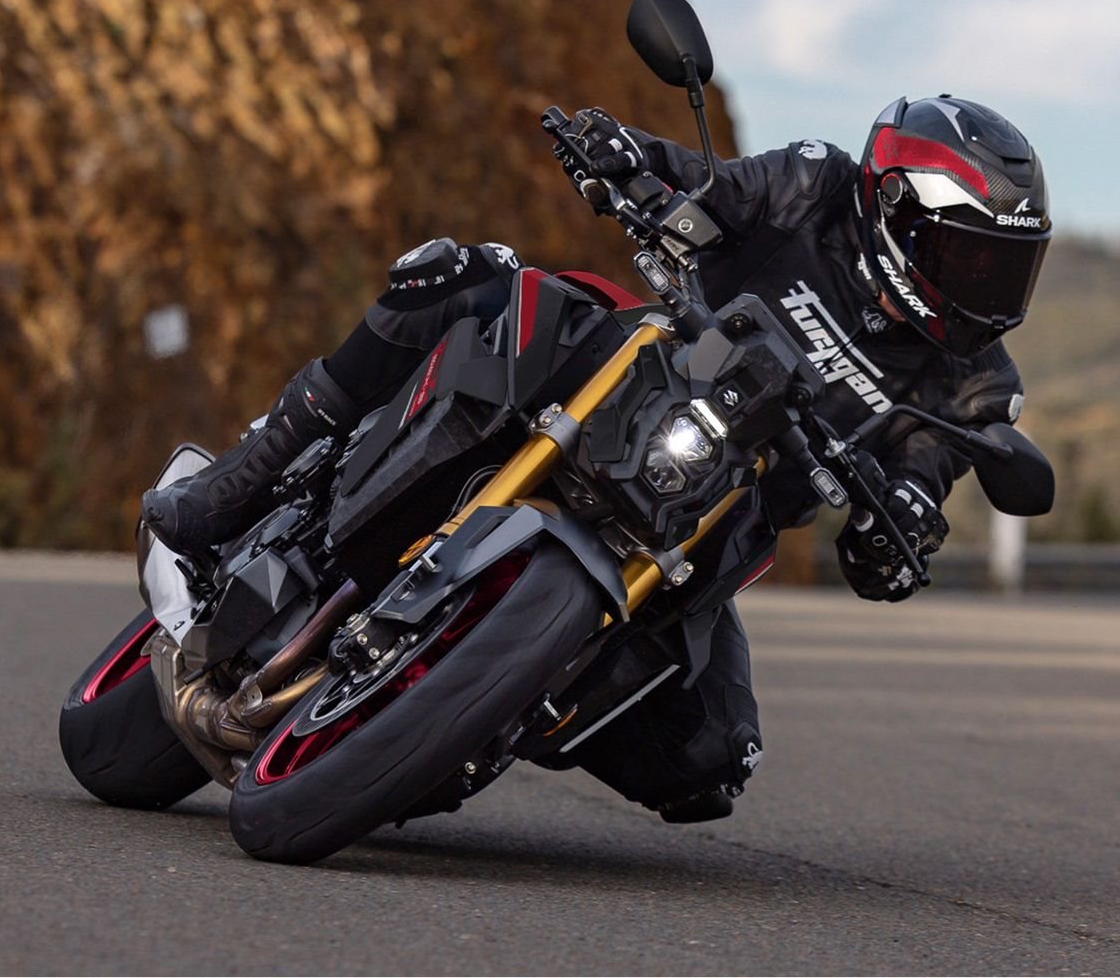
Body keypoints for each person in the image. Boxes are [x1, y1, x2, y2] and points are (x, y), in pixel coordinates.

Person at [141, 93, 1051, 820]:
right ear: (896, 211)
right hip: (629, 380)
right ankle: (240, 481)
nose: (987, 288)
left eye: (1006, 267)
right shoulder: (814, 185)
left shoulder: (975, 383)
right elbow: (704, 185)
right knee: (468, 280)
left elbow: (922, 473)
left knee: (710, 762)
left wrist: (900, 530)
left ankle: (481, 714)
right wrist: (624, 157)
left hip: (714, 515)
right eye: (969, 258)